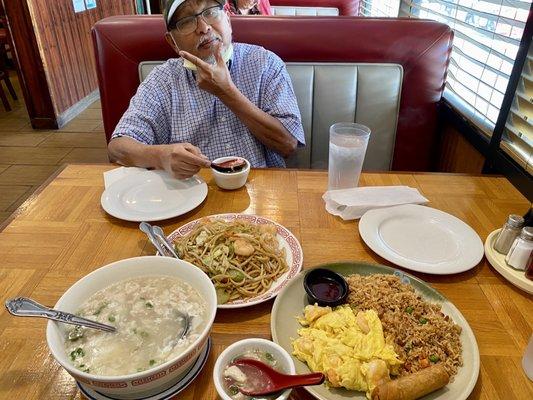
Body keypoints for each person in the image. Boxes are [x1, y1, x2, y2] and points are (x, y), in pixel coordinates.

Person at [108, 0, 304, 179]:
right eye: (186, 21)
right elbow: (117, 148)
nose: (203, 27)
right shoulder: (163, 80)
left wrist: (226, 91)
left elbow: (288, 145)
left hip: (262, 188)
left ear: (227, 18)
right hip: (190, 192)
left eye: (210, 12)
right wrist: (160, 156)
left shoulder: (265, 63)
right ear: (172, 42)